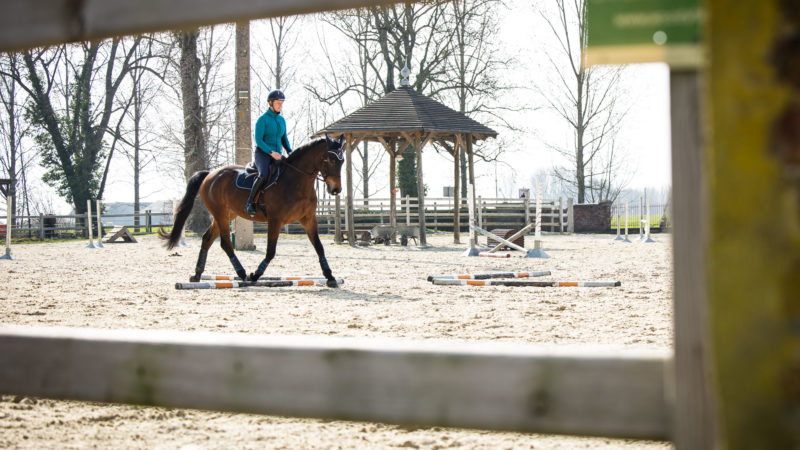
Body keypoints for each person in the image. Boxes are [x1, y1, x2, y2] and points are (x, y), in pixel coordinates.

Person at [246, 89, 293, 218]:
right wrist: (271, 152)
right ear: (270, 103)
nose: (280, 105)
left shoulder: (281, 120)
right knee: (264, 174)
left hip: (278, 154)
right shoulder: (262, 120)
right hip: (263, 154)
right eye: (278, 103)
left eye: (282, 103)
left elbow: (284, 139)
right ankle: (250, 202)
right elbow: (259, 140)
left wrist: (290, 151)